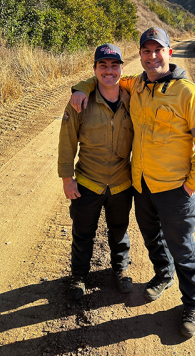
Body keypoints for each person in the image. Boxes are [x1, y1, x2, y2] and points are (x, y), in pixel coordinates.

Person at [69, 27, 195, 338]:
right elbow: (104, 78)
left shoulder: (189, 94)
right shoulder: (135, 85)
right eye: (146, 51)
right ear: (140, 56)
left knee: (182, 247)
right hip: (141, 185)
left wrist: (192, 184)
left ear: (169, 52)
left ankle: (193, 302)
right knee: (152, 238)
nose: (152, 57)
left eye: (158, 50)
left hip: (175, 188)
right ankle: (162, 275)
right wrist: (80, 87)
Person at [57, 43, 135, 300]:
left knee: (119, 231)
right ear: (95, 69)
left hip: (122, 183)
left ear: (122, 68)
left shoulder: (132, 100)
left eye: (114, 66)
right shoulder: (80, 102)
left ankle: (121, 271)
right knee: (83, 233)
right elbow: (67, 141)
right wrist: (68, 179)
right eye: (103, 65)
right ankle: (79, 276)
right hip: (88, 182)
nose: (109, 71)